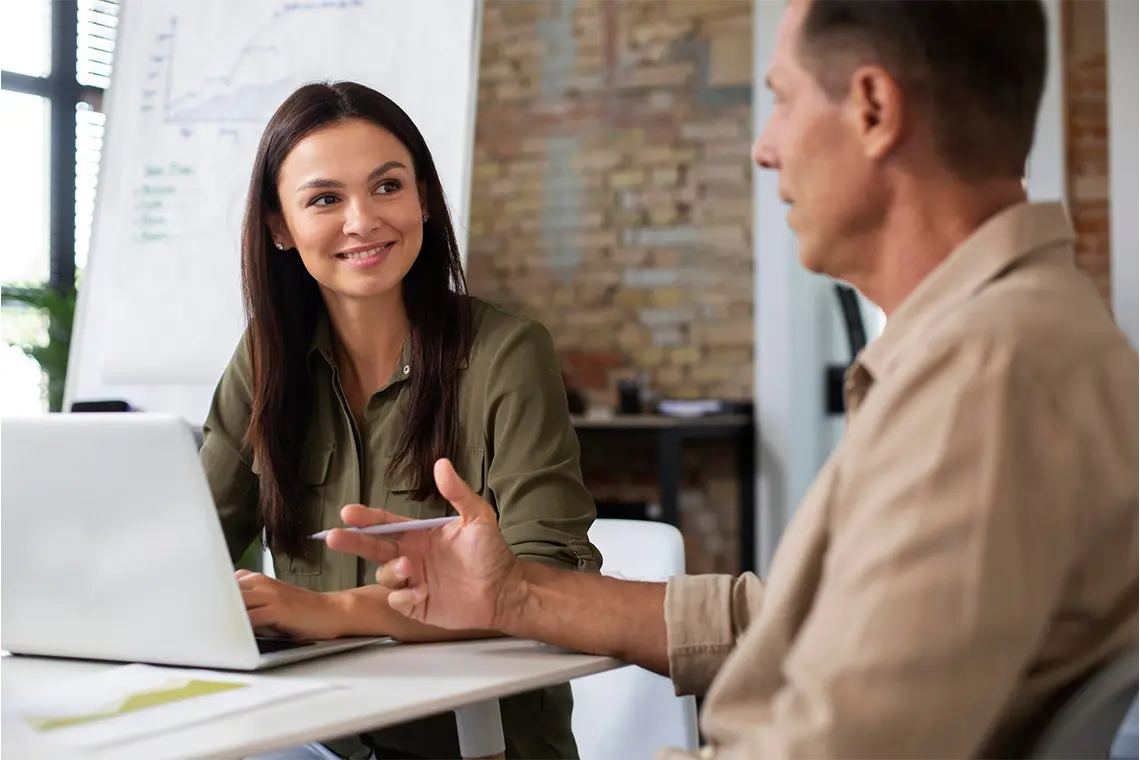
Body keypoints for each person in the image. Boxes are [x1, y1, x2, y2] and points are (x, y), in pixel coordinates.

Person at [325, 1, 1140, 759]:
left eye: (782, 100)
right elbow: (795, 622)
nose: (765, 145)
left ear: (872, 110)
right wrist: (515, 596)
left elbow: (841, 746)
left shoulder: (988, 377)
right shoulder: (998, 344)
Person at [198, 81, 601, 760]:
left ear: (422, 200)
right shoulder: (265, 361)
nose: (363, 220)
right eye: (326, 198)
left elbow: (549, 586)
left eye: (387, 187)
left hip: (479, 744)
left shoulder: (506, 353)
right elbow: (190, 545)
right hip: (309, 738)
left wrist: (327, 614)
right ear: (279, 227)